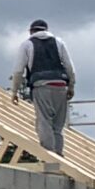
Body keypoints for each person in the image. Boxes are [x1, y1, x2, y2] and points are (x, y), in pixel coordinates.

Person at [11, 19, 76, 156]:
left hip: (41, 86)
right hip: (60, 86)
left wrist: (14, 91)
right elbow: (70, 67)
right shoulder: (58, 42)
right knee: (58, 125)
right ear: (46, 30)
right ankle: (59, 155)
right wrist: (71, 86)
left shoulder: (27, 44)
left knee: (44, 121)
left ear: (31, 31)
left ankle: (50, 158)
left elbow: (18, 71)